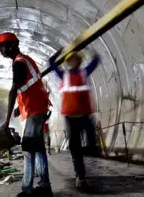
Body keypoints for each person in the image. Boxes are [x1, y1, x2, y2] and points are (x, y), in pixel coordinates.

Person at [0, 32, 53, 197]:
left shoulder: (19, 63)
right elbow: (29, 86)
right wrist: (19, 109)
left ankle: (27, 190)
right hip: (37, 107)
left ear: (12, 45)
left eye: (2, 46)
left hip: (35, 111)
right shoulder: (25, 60)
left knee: (27, 148)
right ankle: (45, 187)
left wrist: (6, 122)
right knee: (39, 148)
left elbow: (14, 90)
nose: (1, 50)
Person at [49, 50, 100, 191]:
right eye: (70, 60)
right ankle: (80, 177)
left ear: (79, 61)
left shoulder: (84, 73)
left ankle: (89, 152)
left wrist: (89, 48)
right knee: (75, 147)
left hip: (84, 115)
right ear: (68, 62)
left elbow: (96, 60)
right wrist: (59, 52)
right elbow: (51, 63)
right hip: (70, 118)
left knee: (91, 142)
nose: (73, 62)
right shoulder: (64, 75)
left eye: (75, 59)